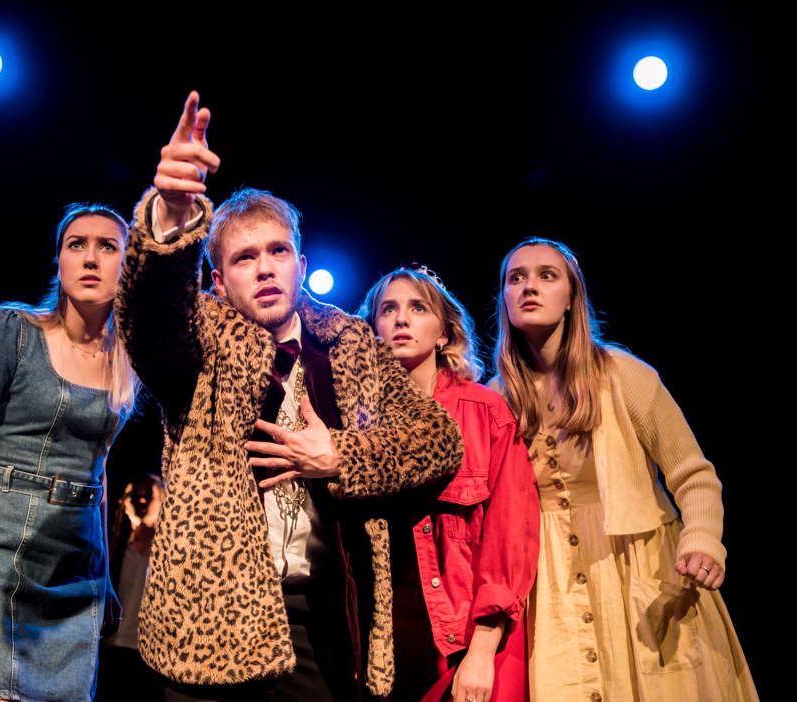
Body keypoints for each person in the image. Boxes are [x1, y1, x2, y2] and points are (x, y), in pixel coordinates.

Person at [113, 92, 464, 701]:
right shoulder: (198, 338)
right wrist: (170, 219)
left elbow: (440, 443)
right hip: (211, 626)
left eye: (277, 251)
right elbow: (149, 319)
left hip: (324, 619)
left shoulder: (351, 342)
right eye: (245, 258)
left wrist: (342, 458)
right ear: (218, 279)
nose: (266, 267)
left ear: (301, 262)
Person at [491, 237, 758, 701]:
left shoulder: (621, 374)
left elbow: (692, 474)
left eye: (546, 276)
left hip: (641, 568)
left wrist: (703, 541)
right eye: (517, 278)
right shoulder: (496, 397)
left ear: (572, 297)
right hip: (550, 582)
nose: (529, 287)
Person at [0, 203, 139, 702]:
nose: (90, 258)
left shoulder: (125, 363)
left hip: (73, 578)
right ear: (58, 262)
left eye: (108, 247)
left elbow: (97, 468)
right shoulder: (12, 330)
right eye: (76, 245)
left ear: (128, 268)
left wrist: (104, 575)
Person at [360, 267, 539, 702]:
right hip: (378, 645)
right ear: (371, 330)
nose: (401, 320)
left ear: (444, 333)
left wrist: (481, 652)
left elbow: (509, 538)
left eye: (418, 308)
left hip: (461, 643)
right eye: (389, 309)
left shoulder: (485, 413)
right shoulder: (356, 422)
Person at [97, 473, 167, 702]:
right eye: (135, 495)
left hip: (149, 656)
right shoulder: (110, 547)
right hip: (109, 650)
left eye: (149, 495)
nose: (142, 500)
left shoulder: (170, 554)